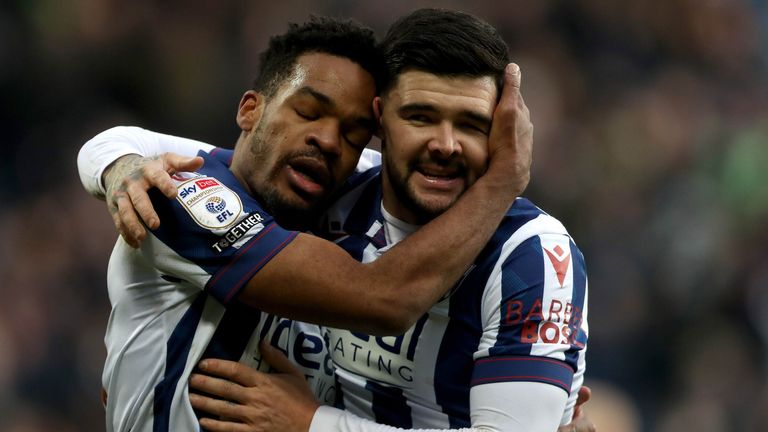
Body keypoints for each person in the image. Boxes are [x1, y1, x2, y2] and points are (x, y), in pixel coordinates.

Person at [80, 9, 590, 432]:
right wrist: (116, 164)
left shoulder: (531, 255)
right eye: (420, 117)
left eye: (472, 125)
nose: (444, 144)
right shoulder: (184, 194)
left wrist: (312, 424)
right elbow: (382, 299)